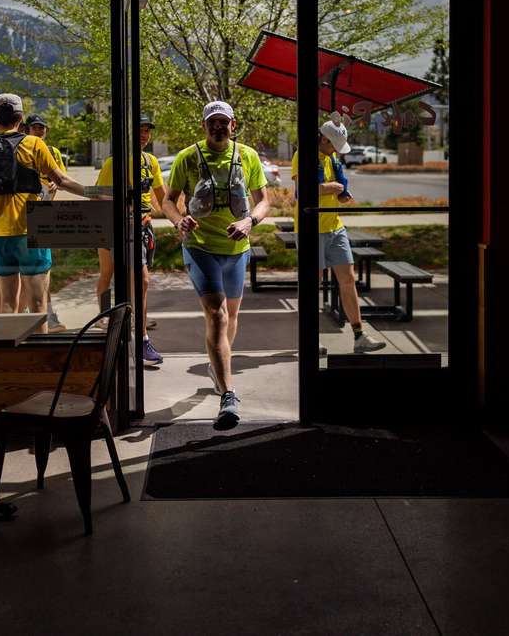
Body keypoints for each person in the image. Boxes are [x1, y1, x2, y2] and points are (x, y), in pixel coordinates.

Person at [161, 100, 270, 429]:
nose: (218, 127)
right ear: (204, 126)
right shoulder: (188, 156)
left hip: (237, 247)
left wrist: (250, 222)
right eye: (213, 122)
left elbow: (264, 201)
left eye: (224, 122)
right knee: (217, 314)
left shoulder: (248, 156)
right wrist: (179, 221)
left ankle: (216, 366)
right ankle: (229, 396)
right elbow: (168, 199)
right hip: (200, 247)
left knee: (230, 317)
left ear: (233, 125)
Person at [0, 93, 91, 328]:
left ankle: (10, 359)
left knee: (8, 304)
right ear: (21, 118)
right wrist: (97, 194)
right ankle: (39, 356)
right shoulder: (34, 144)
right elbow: (61, 180)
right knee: (37, 306)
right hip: (31, 231)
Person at [292, 120, 388, 355]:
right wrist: (330, 188)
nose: (336, 149)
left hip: (335, 227)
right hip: (309, 228)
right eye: (334, 145)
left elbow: (333, 190)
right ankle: (310, 338)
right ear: (324, 140)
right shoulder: (302, 156)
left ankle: (359, 335)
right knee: (312, 284)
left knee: (348, 279)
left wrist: (341, 195)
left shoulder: (331, 159)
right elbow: (301, 192)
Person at [95, 113, 166, 364]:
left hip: (142, 227)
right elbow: (97, 196)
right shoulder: (113, 163)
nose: (144, 134)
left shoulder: (151, 162)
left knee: (141, 281)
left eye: (147, 130)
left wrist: (178, 215)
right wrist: (124, 208)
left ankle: (140, 335)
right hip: (114, 226)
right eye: (140, 130)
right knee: (108, 273)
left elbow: (163, 196)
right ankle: (105, 318)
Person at [26, 113, 68, 331]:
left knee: (43, 270)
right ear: (27, 129)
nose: (40, 131)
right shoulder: (22, 151)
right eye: (36, 127)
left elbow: (61, 179)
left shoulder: (53, 153)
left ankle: (47, 314)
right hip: (25, 217)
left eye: (42, 128)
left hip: (45, 215)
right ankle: (38, 316)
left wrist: (56, 186)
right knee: (31, 272)